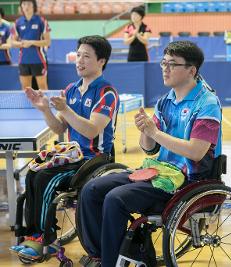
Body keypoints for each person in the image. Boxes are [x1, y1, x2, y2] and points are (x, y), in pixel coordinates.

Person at [78, 41, 222, 267]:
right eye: (163, 63)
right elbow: (150, 148)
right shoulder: (165, 101)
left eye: (172, 64)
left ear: (191, 70)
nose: (165, 68)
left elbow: (196, 152)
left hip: (186, 183)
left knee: (115, 199)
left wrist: (154, 132)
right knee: (91, 189)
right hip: (159, 173)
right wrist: (146, 131)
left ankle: (110, 262)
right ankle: (101, 256)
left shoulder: (207, 103)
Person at [9, 35, 119, 260]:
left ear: (101, 61)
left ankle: (44, 240)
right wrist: (45, 110)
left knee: (45, 179)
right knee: (33, 173)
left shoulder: (106, 93)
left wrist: (66, 109)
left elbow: (91, 131)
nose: (79, 60)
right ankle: (33, 235)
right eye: (78, 55)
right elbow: (59, 126)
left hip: (95, 158)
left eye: (86, 56)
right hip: (72, 154)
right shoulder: (71, 89)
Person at [11, 0, 51, 90]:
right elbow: (12, 42)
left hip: (39, 60)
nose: (26, 6)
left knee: (43, 88)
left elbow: (48, 42)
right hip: (23, 61)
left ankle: (46, 105)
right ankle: (26, 105)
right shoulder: (17, 22)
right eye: (24, 4)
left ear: (34, 6)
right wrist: (21, 44)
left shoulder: (41, 21)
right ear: (21, 6)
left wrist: (32, 42)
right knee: (26, 90)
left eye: (29, 4)